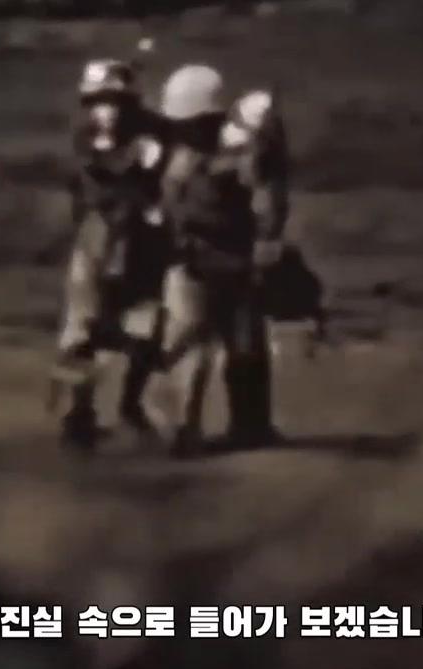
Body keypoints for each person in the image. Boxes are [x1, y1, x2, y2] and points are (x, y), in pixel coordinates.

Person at [155, 63, 292, 455]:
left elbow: (265, 195)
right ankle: (189, 429)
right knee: (201, 345)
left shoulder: (236, 151)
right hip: (202, 258)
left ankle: (243, 426)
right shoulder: (209, 152)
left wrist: (266, 240)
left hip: (227, 257)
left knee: (240, 345)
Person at [51, 57, 175, 450]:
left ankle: (130, 404)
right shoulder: (85, 138)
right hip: (99, 236)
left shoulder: (151, 132)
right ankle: (79, 414)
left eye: (117, 101)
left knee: (146, 326)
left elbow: (167, 171)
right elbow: (97, 178)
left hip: (141, 241)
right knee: (82, 328)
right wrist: (138, 161)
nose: (109, 109)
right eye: (100, 101)